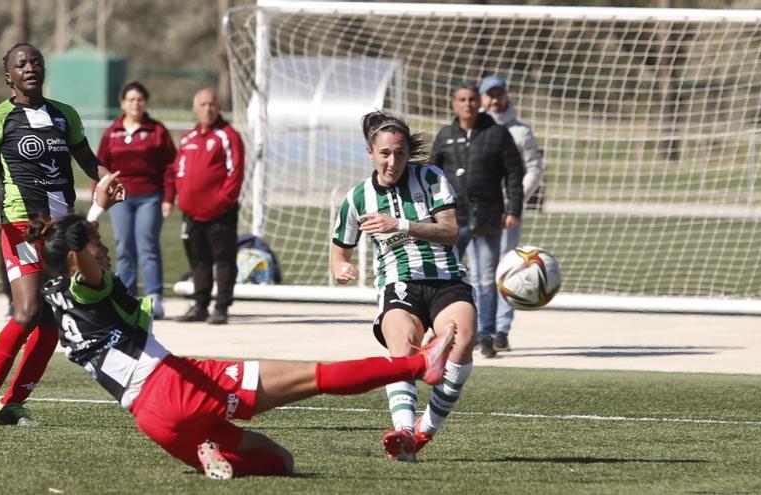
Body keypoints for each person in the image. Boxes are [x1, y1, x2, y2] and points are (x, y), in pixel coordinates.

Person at [27, 188, 456, 479]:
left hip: (154, 422)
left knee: (280, 461)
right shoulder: (88, 282)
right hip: (176, 385)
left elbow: (60, 251)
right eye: (96, 244)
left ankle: (210, 449)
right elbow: (80, 255)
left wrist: (95, 211)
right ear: (76, 256)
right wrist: (88, 227)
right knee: (316, 376)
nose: (103, 250)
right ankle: (421, 363)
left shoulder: (54, 291)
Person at [0, 43, 119, 425]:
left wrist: (109, 178)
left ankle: (13, 402)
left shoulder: (65, 115)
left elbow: (88, 162)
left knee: (52, 322)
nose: (30, 67)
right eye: (21, 64)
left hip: (60, 232)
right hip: (20, 226)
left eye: (36, 61)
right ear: (9, 75)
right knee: (28, 311)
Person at [330, 110, 477, 462]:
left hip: (446, 278)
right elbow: (339, 253)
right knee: (401, 346)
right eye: (385, 153)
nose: (392, 160)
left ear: (408, 153)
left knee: (463, 339)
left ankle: (425, 430)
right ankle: (405, 433)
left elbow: (452, 231)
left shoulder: (430, 177)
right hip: (399, 283)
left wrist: (400, 224)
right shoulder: (357, 198)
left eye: (399, 152)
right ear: (370, 153)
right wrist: (342, 268)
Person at [431, 83, 524, 359]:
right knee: (442, 276)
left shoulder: (497, 134)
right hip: (451, 220)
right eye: (462, 99)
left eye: (472, 99)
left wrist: (513, 210)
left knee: (485, 280)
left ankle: (485, 335)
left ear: (478, 103)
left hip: (487, 218)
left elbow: (514, 175)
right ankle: (438, 331)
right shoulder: (445, 135)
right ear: (453, 104)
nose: (467, 104)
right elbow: (430, 174)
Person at [164, 88, 244, 325]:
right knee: (198, 260)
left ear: (218, 108)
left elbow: (235, 173)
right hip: (191, 213)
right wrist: (176, 197)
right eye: (203, 104)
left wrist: (222, 202)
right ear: (195, 108)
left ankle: (221, 306)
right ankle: (200, 305)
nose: (207, 109)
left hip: (220, 213)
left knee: (223, 259)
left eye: (212, 104)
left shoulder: (228, 136)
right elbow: (176, 170)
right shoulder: (188, 138)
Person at [97, 80, 176, 320]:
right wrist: (99, 197)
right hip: (120, 199)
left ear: (146, 103)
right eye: (130, 99)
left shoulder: (157, 131)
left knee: (147, 245)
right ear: (122, 103)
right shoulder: (113, 132)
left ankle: (154, 298)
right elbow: (100, 166)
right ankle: (126, 299)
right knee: (123, 247)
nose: (135, 103)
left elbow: (171, 166)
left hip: (150, 197)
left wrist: (168, 197)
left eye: (140, 99)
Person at [479, 74, 545, 354]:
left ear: (506, 96)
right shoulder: (473, 130)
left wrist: (514, 200)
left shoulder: (521, 132)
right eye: (489, 94)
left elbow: (534, 168)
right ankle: (481, 327)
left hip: (507, 210)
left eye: (499, 94)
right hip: (480, 210)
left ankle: (501, 330)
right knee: (479, 271)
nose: (495, 99)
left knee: (508, 269)